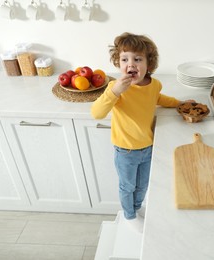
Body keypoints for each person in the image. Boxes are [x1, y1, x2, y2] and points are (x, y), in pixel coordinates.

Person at [91, 32, 193, 233]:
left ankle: (136, 209)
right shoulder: (116, 87)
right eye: (124, 59)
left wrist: (179, 103)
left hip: (147, 147)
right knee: (127, 186)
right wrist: (114, 92)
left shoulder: (154, 84)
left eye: (137, 59)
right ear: (118, 63)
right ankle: (129, 215)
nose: (131, 64)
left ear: (149, 64)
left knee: (143, 185)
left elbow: (158, 98)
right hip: (125, 151)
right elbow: (97, 113)